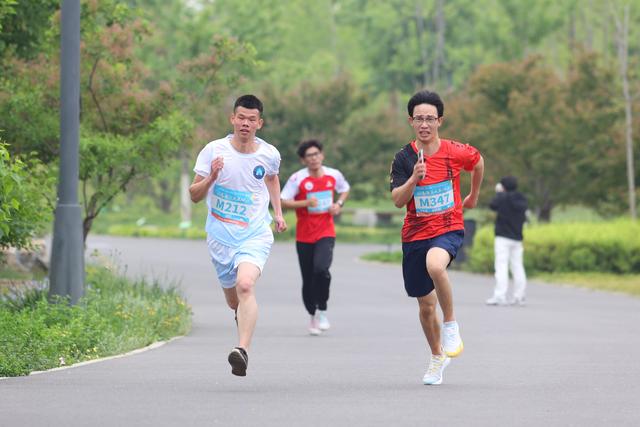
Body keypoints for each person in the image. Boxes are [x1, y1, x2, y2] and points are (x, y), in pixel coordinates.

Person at [389, 90, 484, 385]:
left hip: (448, 227)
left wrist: (472, 195)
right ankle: (436, 356)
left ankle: (452, 323)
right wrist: (414, 178)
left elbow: (478, 162)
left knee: (436, 265)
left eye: (430, 118)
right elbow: (396, 200)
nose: (424, 124)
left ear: (440, 121)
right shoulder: (404, 158)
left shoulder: (455, 152)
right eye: (419, 118)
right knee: (425, 305)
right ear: (410, 121)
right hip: (415, 234)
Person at [189, 94, 287, 377]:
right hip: (220, 237)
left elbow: (271, 177)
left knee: (246, 285)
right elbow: (194, 196)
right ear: (232, 119)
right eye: (240, 118)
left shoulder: (269, 154)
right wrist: (211, 178)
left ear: (260, 123)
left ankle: (241, 350)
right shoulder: (213, 151)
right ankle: (240, 314)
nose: (245, 123)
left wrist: (278, 213)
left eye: (251, 119)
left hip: (254, 234)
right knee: (234, 300)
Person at [281, 140, 350, 335]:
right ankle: (312, 315)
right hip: (304, 235)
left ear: (322, 155)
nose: (314, 158)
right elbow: (283, 201)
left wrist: (339, 204)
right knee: (308, 277)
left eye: (316, 154)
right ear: (304, 160)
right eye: (309, 156)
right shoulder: (297, 179)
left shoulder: (333, 175)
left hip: (326, 231)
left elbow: (345, 189)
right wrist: (304, 203)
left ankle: (323, 309)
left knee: (322, 269)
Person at [486, 176, 528, 306]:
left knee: (501, 266)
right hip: (517, 238)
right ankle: (519, 296)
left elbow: (492, 205)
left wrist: (499, 193)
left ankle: (500, 296)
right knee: (517, 266)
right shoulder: (521, 198)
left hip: (503, 238)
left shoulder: (502, 197)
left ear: (503, 186)